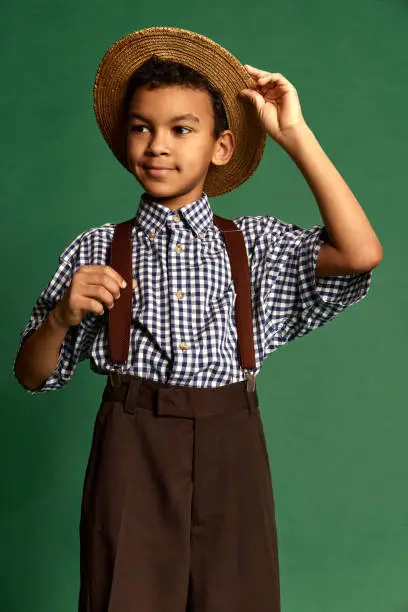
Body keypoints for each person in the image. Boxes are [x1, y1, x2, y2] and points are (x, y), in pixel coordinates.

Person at [13, 26, 382, 612]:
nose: (159, 145)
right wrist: (60, 318)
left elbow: (361, 253)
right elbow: (31, 375)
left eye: (182, 129)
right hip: (130, 448)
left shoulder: (254, 246)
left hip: (231, 443)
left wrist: (296, 136)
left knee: (241, 598)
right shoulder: (97, 249)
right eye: (142, 127)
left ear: (221, 146)